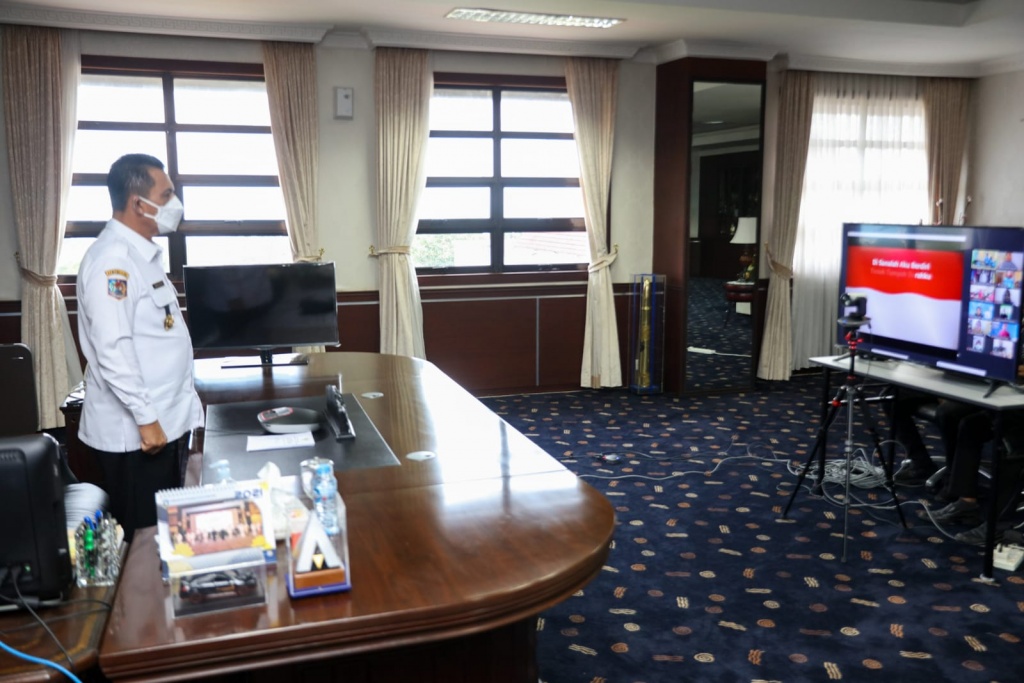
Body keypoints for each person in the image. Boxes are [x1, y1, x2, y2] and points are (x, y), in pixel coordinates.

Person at [76, 153, 203, 542]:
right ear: (138, 203)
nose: (174, 204)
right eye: (166, 195)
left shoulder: (140, 254)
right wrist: (146, 419)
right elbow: (113, 348)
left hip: (160, 425)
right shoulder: (113, 260)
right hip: (137, 435)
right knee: (145, 541)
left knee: (164, 534)